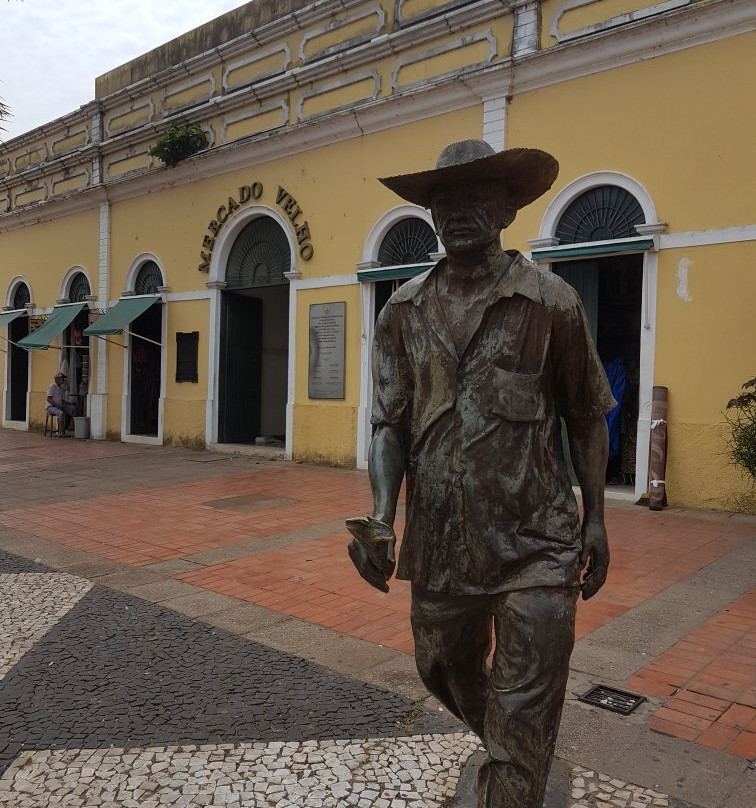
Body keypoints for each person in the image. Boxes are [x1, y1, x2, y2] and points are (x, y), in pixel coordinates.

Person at [346, 140, 615, 808]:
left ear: (505, 208)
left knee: (528, 695)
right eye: (444, 202)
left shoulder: (552, 303)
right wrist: (381, 515)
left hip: (537, 539)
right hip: (440, 538)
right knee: (440, 664)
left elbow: (586, 416)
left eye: (474, 198)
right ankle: (513, 748)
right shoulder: (402, 312)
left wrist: (599, 520)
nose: (457, 213)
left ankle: (514, 772)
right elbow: (389, 424)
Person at [45, 371, 76, 436]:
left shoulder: (61, 388)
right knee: (60, 413)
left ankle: (71, 427)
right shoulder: (52, 386)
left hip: (59, 405)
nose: (63, 380)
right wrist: (58, 405)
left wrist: (70, 403)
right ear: (57, 379)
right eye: (62, 379)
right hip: (51, 406)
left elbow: (61, 400)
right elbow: (49, 399)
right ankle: (61, 433)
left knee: (73, 410)